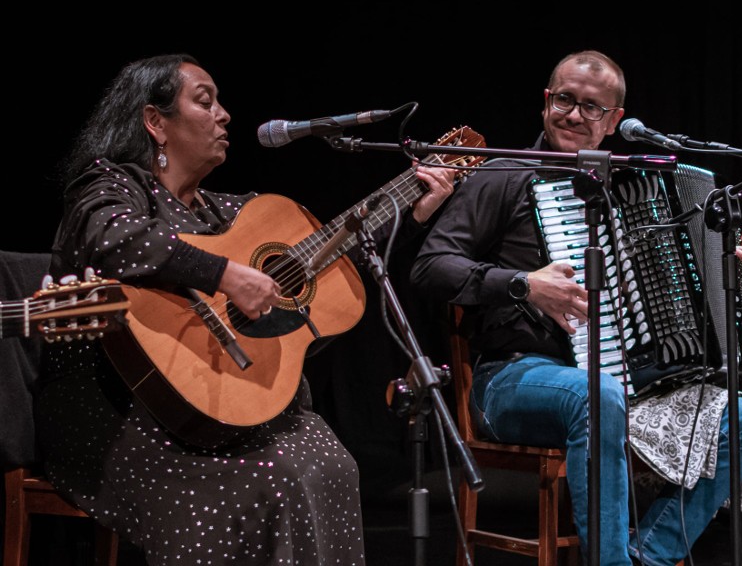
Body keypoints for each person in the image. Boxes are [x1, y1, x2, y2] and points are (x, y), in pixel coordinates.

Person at [34, 53, 455, 565]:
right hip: (122, 415)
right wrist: (224, 275)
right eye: (205, 101)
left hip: (228, 413)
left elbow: (329, 255)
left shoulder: (229, 211)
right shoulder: (111, 183)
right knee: (277, 476)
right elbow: (112, 238)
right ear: (154, 122)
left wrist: (410, 212)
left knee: (331, 464)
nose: (225, 114)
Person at [410, 50, 742, 566]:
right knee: (598, 394)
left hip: (628, 385)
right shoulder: (505, 174)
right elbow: (430, 267)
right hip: (514, 377)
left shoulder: (643, 190)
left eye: (592, 107)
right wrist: (523, 284)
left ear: (613, 122)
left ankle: (647, 555)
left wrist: (734, 275)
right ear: (545, 102)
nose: (574, 115)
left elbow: (686, 298)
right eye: (564, 99)